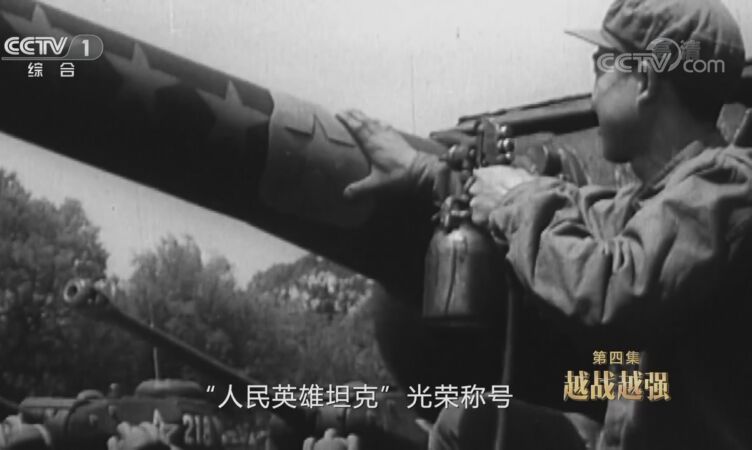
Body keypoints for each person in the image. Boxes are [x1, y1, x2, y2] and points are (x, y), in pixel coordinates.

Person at [306, 0, 752, 449]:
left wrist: (515, 201)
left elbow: (612, 287)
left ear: (646, 81)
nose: (594, 91)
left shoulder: (730, 189)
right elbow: (585, 210)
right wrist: (424, 170)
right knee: (468, 423)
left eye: (601, 64)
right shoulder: (665, 198)